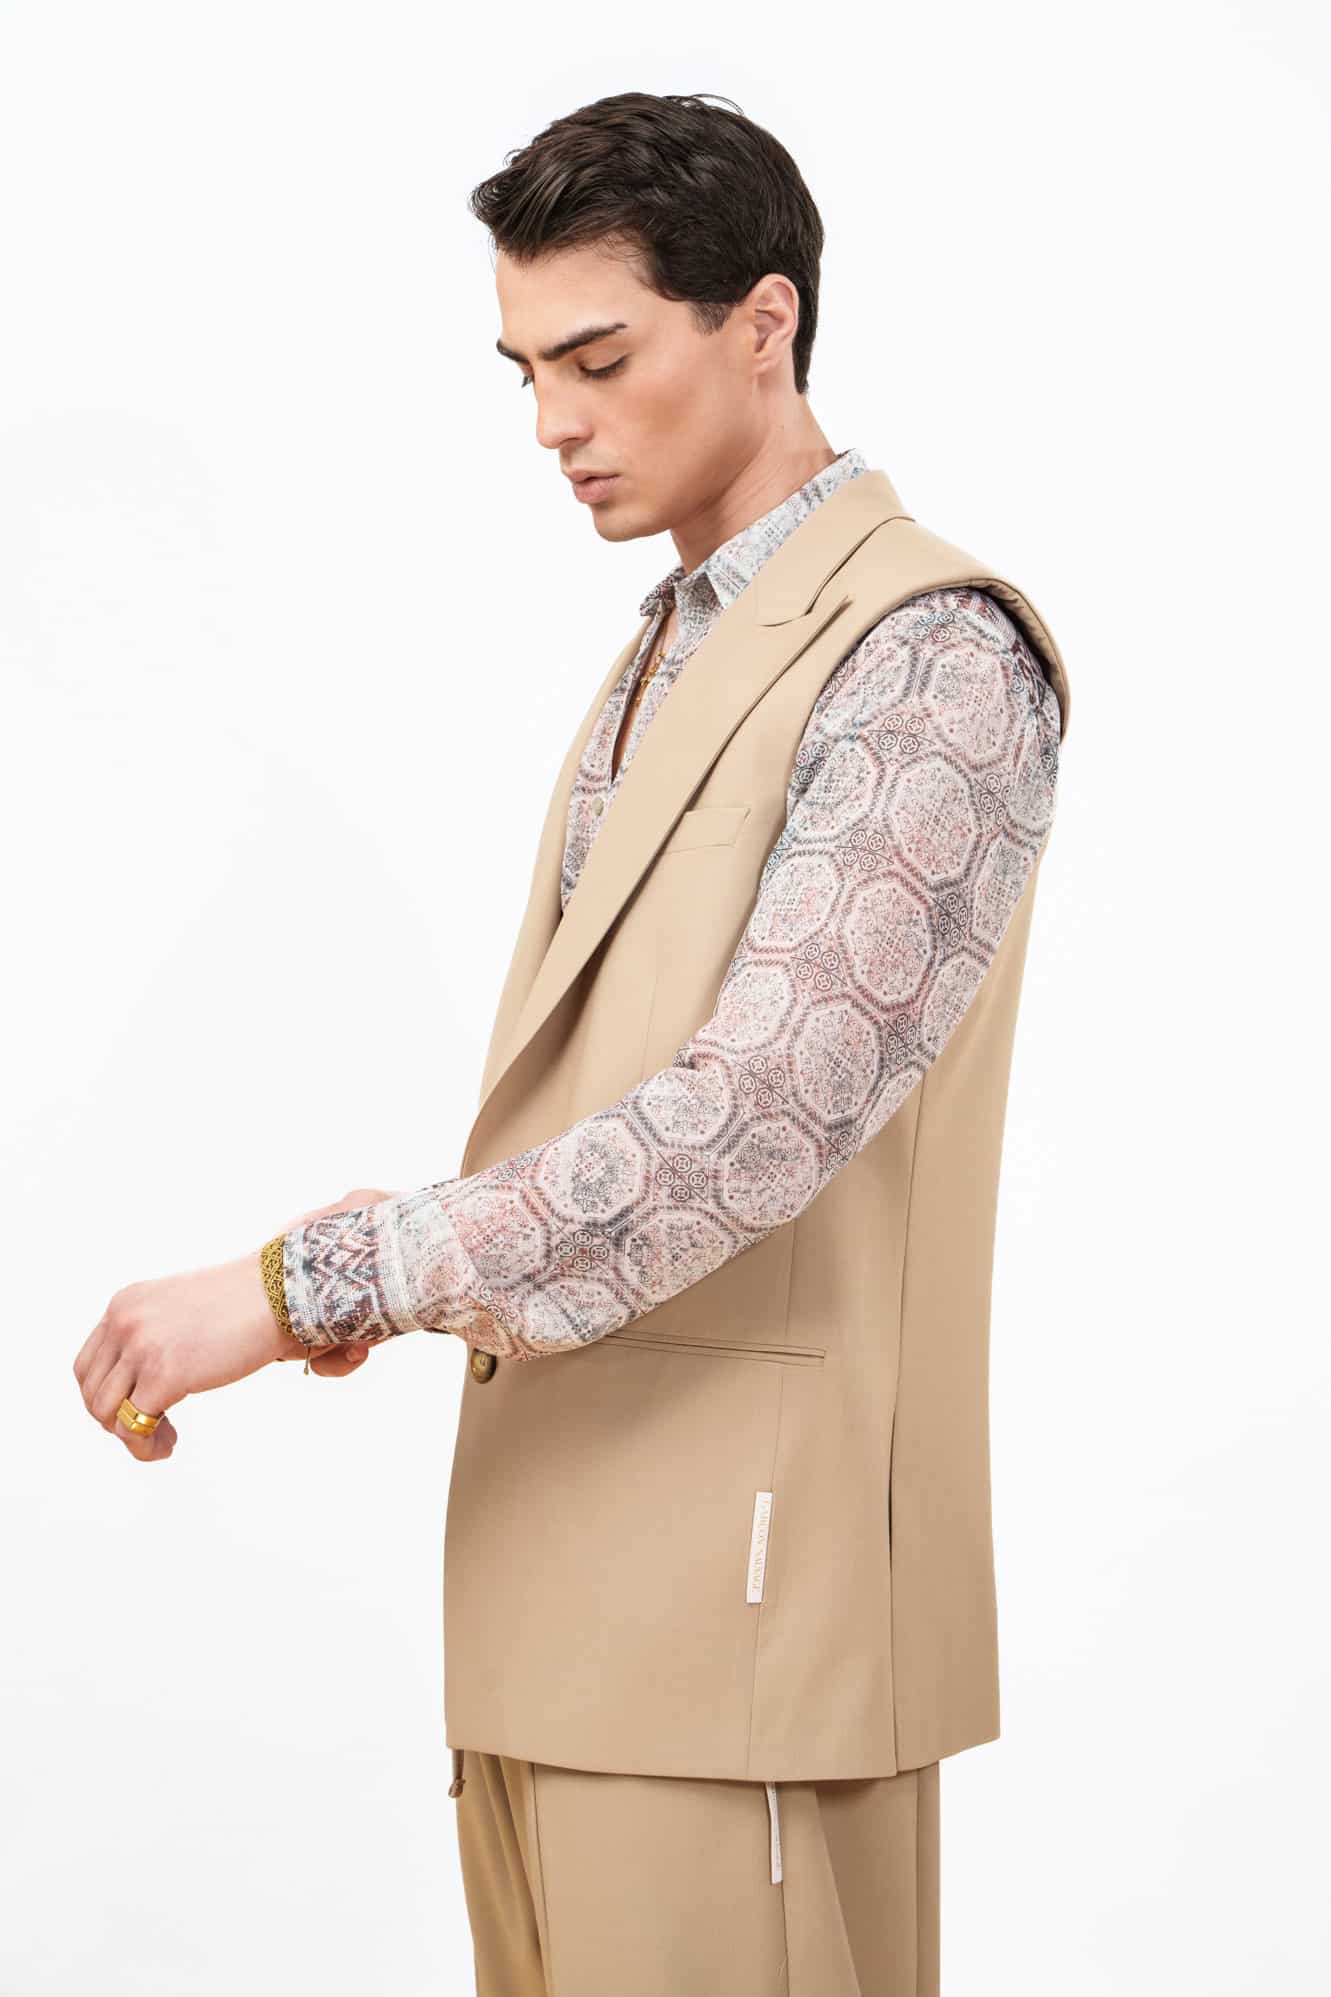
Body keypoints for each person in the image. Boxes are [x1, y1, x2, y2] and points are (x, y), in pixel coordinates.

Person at [74, 90, 1070, 1995]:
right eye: (526, 371)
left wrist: (308, 1282)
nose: (552, 422)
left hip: (750, 1629)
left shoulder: (928, 652)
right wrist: (407, 1253)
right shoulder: (670, 642)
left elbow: (750, 1126)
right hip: (561, 1608)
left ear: (764, 323)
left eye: (597, 361)